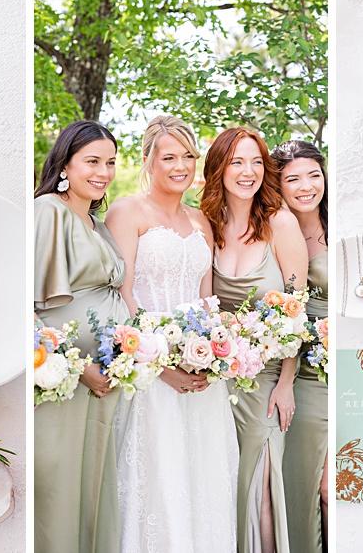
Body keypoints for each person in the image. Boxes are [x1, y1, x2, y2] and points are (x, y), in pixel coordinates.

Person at [105, 115, 238, 553]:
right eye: (168, 156)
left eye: (187, 156)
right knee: (157, 474)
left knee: (202, 475)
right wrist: (160, 364)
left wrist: (211, 355)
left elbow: (208, 300)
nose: (180, 165)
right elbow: (121, 295)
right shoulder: (126, 211)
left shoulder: (202, 220)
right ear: (147, 160)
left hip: (201, 371)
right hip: (149, 370)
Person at [202, 127, 308, 553]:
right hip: (218, 377)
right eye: (237, 162)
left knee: (261, 482)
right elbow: (203, 304)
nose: (248, 171)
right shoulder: (207, 223)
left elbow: (296, 307)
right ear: (219, 168)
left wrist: (286, 382)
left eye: (256, 162)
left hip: (266, 382)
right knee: (223, 483)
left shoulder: (280, 223)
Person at [33, 122, 127, 553]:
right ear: (65, 164)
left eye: (110, 162)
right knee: (58, 485)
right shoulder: (48, 211)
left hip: (103, 385)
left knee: (93, 490)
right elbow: (25, 307)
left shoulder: (96, 222)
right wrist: (78, 365)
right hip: (64, 380)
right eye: (92, 161)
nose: (104, 171)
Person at [273, 140, 329, 553]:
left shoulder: (344, 223)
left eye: (314, 174)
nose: (306, 186)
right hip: (295, 368)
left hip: (341, 361)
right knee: (306, 478)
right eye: (293, 178)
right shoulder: (273, 227)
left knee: (336, 485)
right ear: (278, 185)